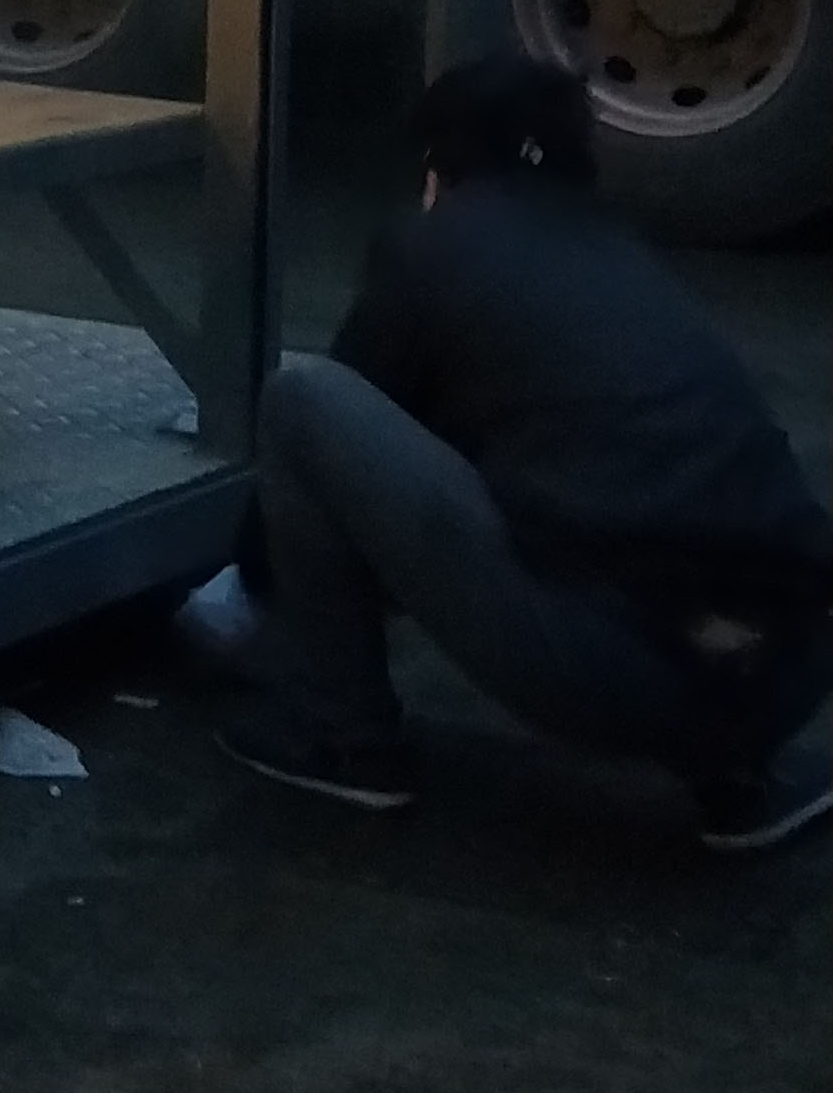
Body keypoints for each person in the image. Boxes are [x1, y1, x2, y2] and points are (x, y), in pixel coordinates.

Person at [223, 51, 833, 852]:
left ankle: (348, 739)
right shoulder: (618, 249)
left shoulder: (432, 244)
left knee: (304, 400)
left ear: (436, 166)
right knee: (640, 500)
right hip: (795, 673)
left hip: (611, 678)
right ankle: (741, 780)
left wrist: (241, 575)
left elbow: (343, 439)